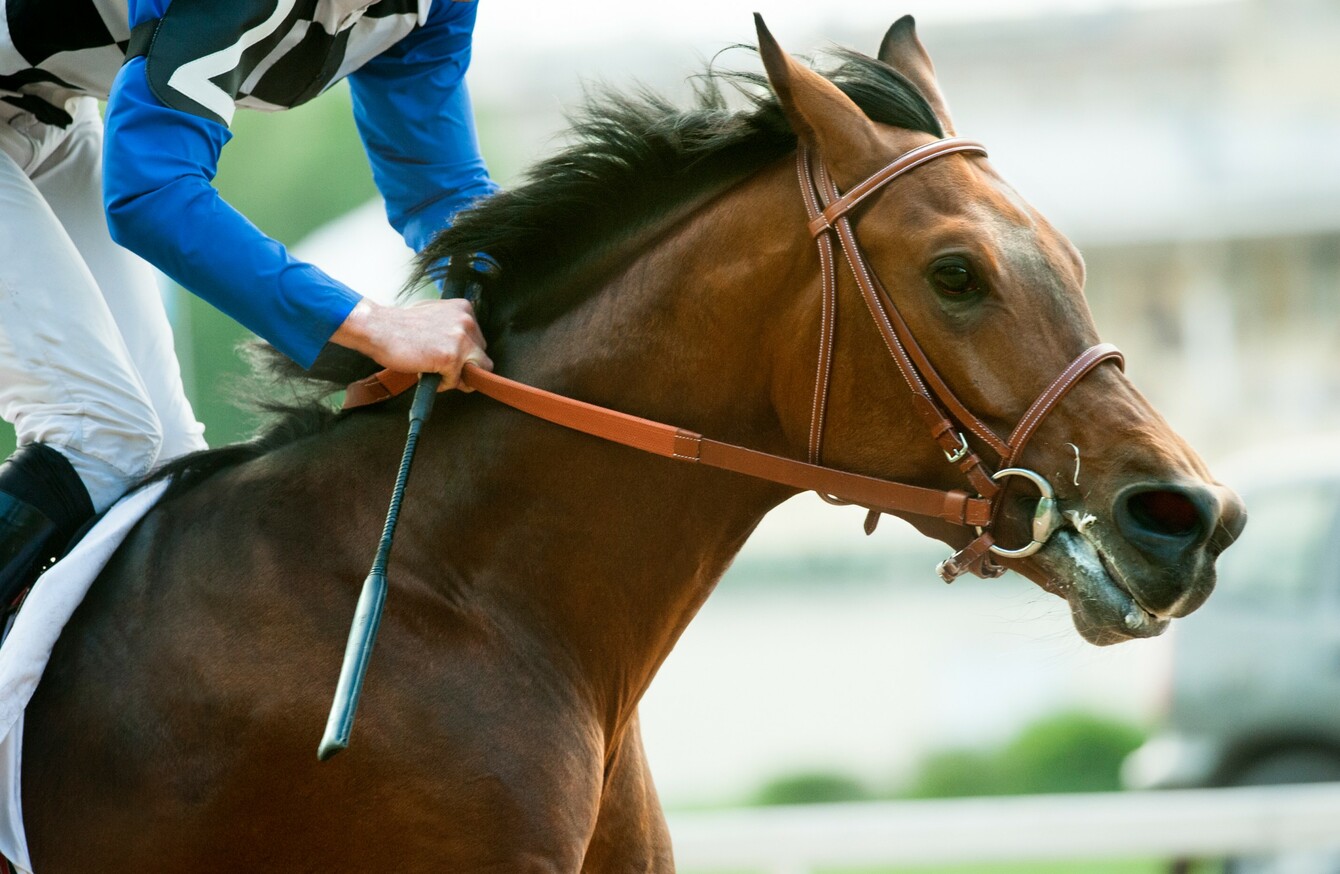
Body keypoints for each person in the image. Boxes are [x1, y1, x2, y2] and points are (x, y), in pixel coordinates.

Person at [0, 0, 496, 603]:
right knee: (101, 436)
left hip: (50, 115)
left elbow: (439, 190)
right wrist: (371, 324)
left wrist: (540, 297)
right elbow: (152, 192)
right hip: (40, 112)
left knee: (162, 467)